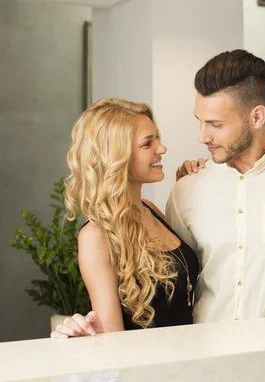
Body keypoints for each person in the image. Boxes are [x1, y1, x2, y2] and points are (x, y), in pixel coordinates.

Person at [54, 49, 265, 335]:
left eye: (215, 124)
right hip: (201, 365)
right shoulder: (188, 188)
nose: (203, 136)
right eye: (200, 121)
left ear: (256, 117)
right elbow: (170, 280)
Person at [51, 99, 200, 339]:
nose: (161, 149)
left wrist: (195, 183)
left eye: (157, 139)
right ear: (117, 156)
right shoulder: (95, 237)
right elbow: (113, 338)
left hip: (192, 361)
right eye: (147, 143)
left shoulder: (150, 210)